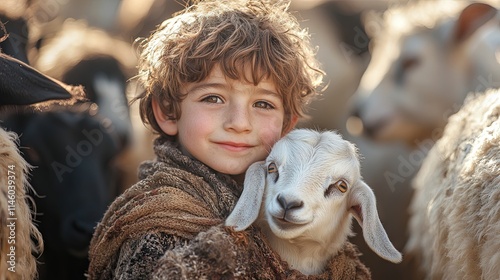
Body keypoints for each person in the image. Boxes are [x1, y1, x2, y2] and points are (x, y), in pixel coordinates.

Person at [87, 0, 370, 279]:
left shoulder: (298, 215)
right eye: (213, 98)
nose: (239, 123)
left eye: (263, 104)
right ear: (168, 112)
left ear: (287, 125)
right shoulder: (158, 235)